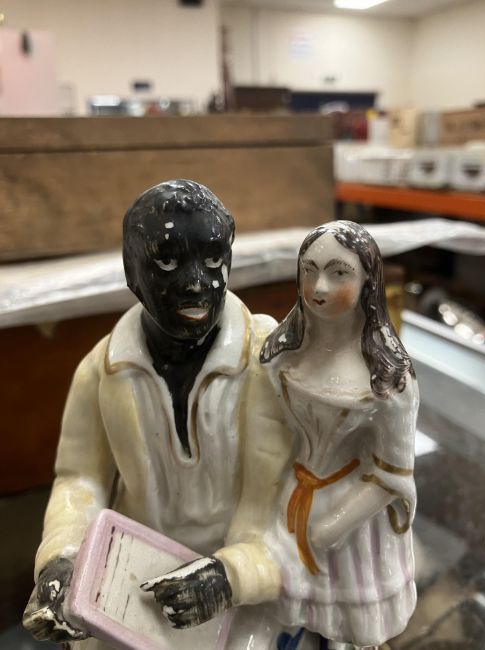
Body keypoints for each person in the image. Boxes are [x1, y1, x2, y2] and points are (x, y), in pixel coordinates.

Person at [23, 179, 289, 649]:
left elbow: (304, 487)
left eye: (213, 260)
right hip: (135, 573)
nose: (195, 283)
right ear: (132, 272)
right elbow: (81, 477)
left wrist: (235, 575)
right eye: (167, 262)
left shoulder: (272, 358)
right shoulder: (100, 369)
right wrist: (63, 558)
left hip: (246, 577)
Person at [148, 221, 418, 649]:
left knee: (348, 627)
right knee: (287, 611)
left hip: (351, 518)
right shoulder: (282, 352)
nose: (320, 287)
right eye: (309, 271)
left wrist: (331, 528)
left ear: (368, 281)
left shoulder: (389, 381)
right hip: (290, 500)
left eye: (339, 273)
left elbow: (392, 478)